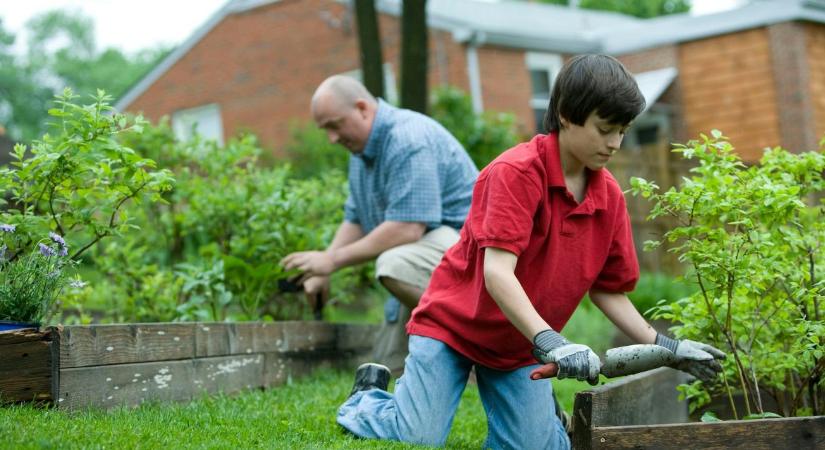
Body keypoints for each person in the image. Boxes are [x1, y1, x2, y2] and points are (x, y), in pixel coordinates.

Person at [335, 54, 726, 449]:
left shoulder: (608, 197)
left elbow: (608, 289)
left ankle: (545, 423)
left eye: (622, 131)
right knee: (417, 436)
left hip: (519, 344)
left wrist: (667, 349)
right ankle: (367, 399)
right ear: (566, 115)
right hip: (453, 328)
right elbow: (498, 273)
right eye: (605, 129)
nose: (615, 144)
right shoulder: (516, 173)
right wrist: (553, 341)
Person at [280, 75, 479, 373]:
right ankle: (445, 355)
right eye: (325, 130)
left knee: (394, 264)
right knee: (386, 367)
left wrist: (332, 260)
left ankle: (476, 346)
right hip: (428, 259)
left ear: (362, 108)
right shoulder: (361, 153)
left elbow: (407, 228)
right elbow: (356, 218)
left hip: (473, 259)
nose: (331, 138)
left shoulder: (407, 139)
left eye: (334, 125)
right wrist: (321, 268)